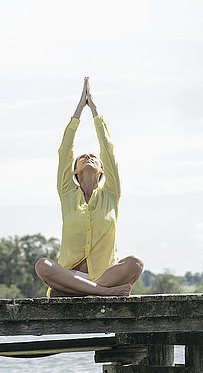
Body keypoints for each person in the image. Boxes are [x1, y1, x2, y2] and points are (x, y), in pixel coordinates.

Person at [35, 77, 144, 297]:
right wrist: (78, 111)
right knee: (42, 265)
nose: (88, 157)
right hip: (70, 274)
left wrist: (94, 111)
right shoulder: (67, 193)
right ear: (74, 170)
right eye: (83, 157)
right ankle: (101, 293)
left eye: (93, 157)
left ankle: (82, 291)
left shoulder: (111, 194)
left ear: (103, 170)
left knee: (135, 264)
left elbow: (108, 150)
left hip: (104, 275)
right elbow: (65, 150)